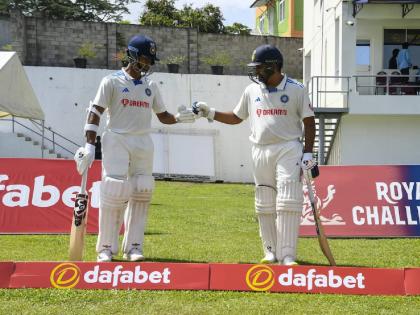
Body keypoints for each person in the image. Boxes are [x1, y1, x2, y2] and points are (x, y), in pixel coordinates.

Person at [74, 34, 195, 262]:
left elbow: (163, 115)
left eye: (150, 60)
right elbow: (95, 112)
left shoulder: (151, 85)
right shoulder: (111, 81)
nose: (147, 64)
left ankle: (134, 247)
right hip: (116, 139)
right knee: (114, 190)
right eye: (144, 59)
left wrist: (181, 118)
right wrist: (90, 145)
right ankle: (106, 248)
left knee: (142, 190)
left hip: (143, 141)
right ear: (131, 55)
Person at [192, 44, 317, 265]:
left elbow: (309, 121)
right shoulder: (252, 91)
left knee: (288, 200)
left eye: (259, 68)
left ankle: (288, 255)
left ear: (273, 66)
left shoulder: (297, 89)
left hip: (288, 148)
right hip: (260, 149)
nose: (256, 72)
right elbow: (236, 117)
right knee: (264, 201)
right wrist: (209, 112)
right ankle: (270, 251)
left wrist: (308, 152)